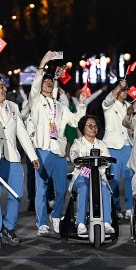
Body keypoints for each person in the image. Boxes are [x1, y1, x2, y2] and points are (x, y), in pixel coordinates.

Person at [0, 65, 40, 248]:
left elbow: (21, 132)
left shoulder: (12, 106)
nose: (4, 89)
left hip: (13, 157)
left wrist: (32, 155)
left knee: (17, 194)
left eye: (4, 86)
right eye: (0, 86)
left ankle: (9, 226)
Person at [28, 51, 87, 236]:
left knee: (62, 190)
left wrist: (82, 104)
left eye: (50, 82)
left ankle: (55, 216)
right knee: (42, 189)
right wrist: (43, 63)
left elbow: (77, 121)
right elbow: (35, 87)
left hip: (59, 152)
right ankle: (41, 223)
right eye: (45, 81)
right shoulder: (36, 101)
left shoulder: (61, 107)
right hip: (43, 149)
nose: (48, 83)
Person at [69, 115, 115, 235]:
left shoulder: (101, 144)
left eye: (95, 126)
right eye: (90, 126)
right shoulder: (78, 143)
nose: (93, 128)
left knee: (104, 189)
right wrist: (77, 160)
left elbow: (108, 160)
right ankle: (81, 223)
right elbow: (73, 154)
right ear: (82, 128)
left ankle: (106, 223)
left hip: (98, 176)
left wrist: (105, 163)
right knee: (84, 188)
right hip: (81, 176)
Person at [102, 79, 133, 219]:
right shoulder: (108, 105)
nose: (126, 92)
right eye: (123, 89)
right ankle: (115, 208)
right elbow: (108, 99)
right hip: (113, 145)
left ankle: (130, 208)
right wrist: (118, 87)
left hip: (127, 145)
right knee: (113, 179)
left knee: (129, 177)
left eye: (127, 89)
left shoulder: (130, 106)